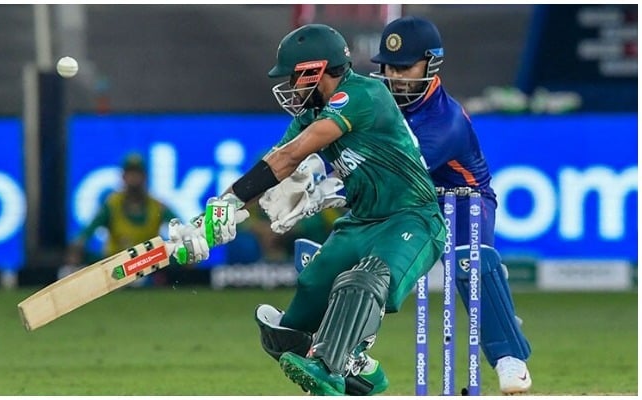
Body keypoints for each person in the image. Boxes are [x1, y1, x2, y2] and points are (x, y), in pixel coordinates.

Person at [166, 23, 446, 396]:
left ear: (315, 70)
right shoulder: (312, 113)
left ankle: (334, 367)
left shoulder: (364, 94)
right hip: (360, 222)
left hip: (411, 219)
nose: (290, 87)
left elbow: (292, 155)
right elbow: (274, 163)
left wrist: (231, 202)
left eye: (295, 77)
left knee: (363, 281)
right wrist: (209, 220)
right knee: (288, 335)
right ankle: (363, 371)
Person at [369, 16, 532, 394]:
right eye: (389, 67)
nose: (395, 77)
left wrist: (341, 187)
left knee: (467, 260)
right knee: (367, 259)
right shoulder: (379, 102)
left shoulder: (445, 119)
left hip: (464, 199)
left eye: (405, 67)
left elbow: (398, 173)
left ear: (431, 63)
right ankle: (319, 333)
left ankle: (510, 359)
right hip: (413, 199)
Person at [65, 153, 178, 281]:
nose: (134, 178)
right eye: (130, 174)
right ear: (123, 177)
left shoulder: (157, 206)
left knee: (180, 253)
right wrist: (77, 246)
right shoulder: (113, 204)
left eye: (137, 174)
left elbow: (180, 228)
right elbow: (88, 231)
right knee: (85, 255)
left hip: (148, 263)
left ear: (145, 177)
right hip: (116, 263)